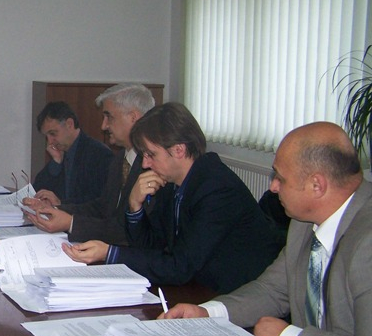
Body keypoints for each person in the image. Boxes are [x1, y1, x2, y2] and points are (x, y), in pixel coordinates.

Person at [162, 122, 372, 336]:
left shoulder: (367, 242)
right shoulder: (305, 222)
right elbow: (272, 290)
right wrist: (208, 313)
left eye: (280, 178)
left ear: (316, 185)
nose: (272, 187)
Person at [63, 102, 281, 293]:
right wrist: (135, 206)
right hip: (198, 287)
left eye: (151, 154)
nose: (145, 163)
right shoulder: (172, 183)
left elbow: (179, 267)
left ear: (178, 150)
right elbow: (153, 247)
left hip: (235, 295)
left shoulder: (217, 189)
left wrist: (109, 253)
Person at [25, 83, 154, 244]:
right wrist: (56, 209)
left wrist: (70, 223)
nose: (103, 126)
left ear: (133, 117)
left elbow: (129, 231)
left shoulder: (152, 165)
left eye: (109, 117)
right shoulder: (120, 159)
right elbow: (102, 207)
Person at [32, 101, 114, 205]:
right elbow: (37, 190)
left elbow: (99, 202)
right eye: (46, 136)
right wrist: (56, 162)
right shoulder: (60, 152)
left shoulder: (99, 154)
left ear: (69, 124)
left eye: (53, 133)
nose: (50, 141)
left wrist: (61, 203)